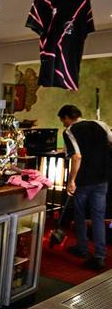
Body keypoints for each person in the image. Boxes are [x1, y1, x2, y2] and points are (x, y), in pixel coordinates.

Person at [58, 104, 112, 270]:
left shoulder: (70, 131)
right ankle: (99, 256)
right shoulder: (100, 124)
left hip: (83, 179)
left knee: (80, 214)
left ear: (67, 117)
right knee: (98, 216)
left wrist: (71, 180)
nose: (63, 124)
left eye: (63, 120)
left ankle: (82, 248)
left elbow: (76, 157)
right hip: (102, 177)